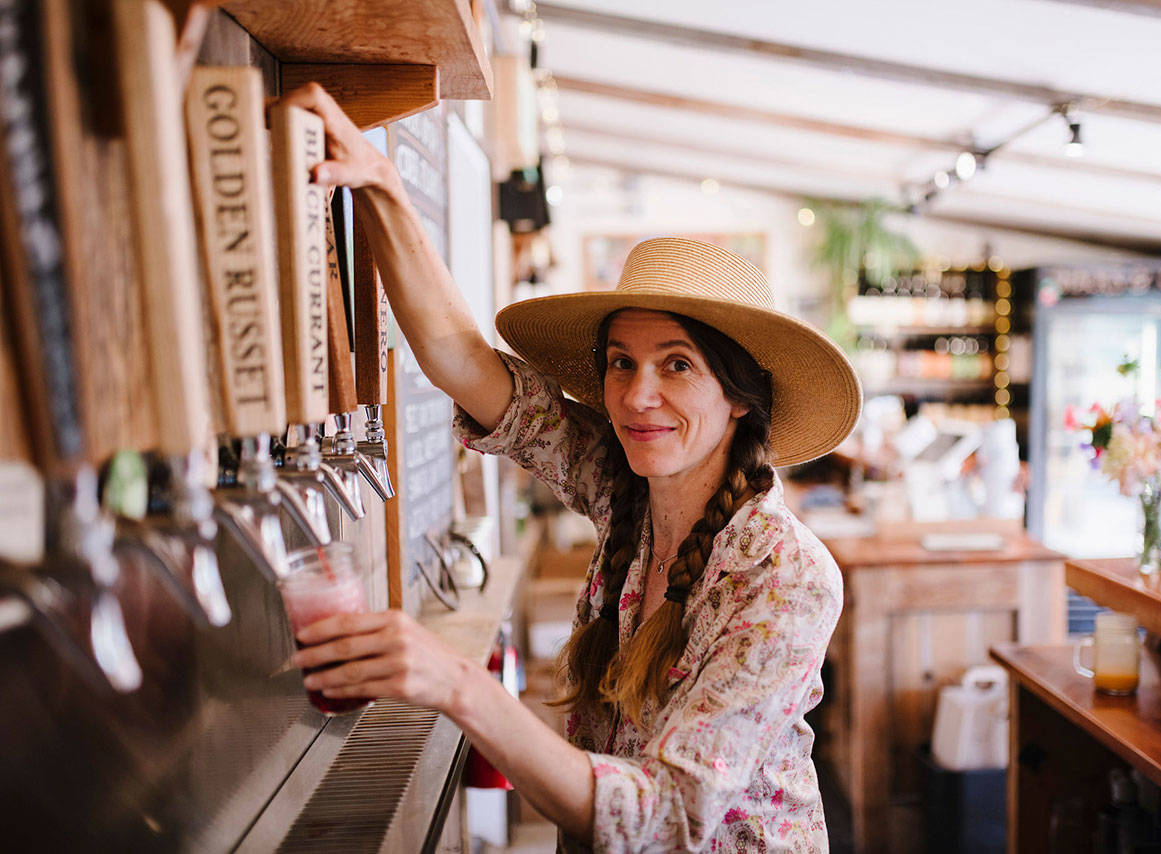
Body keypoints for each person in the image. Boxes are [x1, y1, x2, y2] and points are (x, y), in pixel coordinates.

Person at [282, 83, 862, 852]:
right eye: (621, 362)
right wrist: (382, 186)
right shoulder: (627, 489)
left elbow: (664, 818)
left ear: (741, 398)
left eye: (677, 364)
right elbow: (463, 361)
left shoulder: (787, 576)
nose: (636, 395)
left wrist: (461, 687)